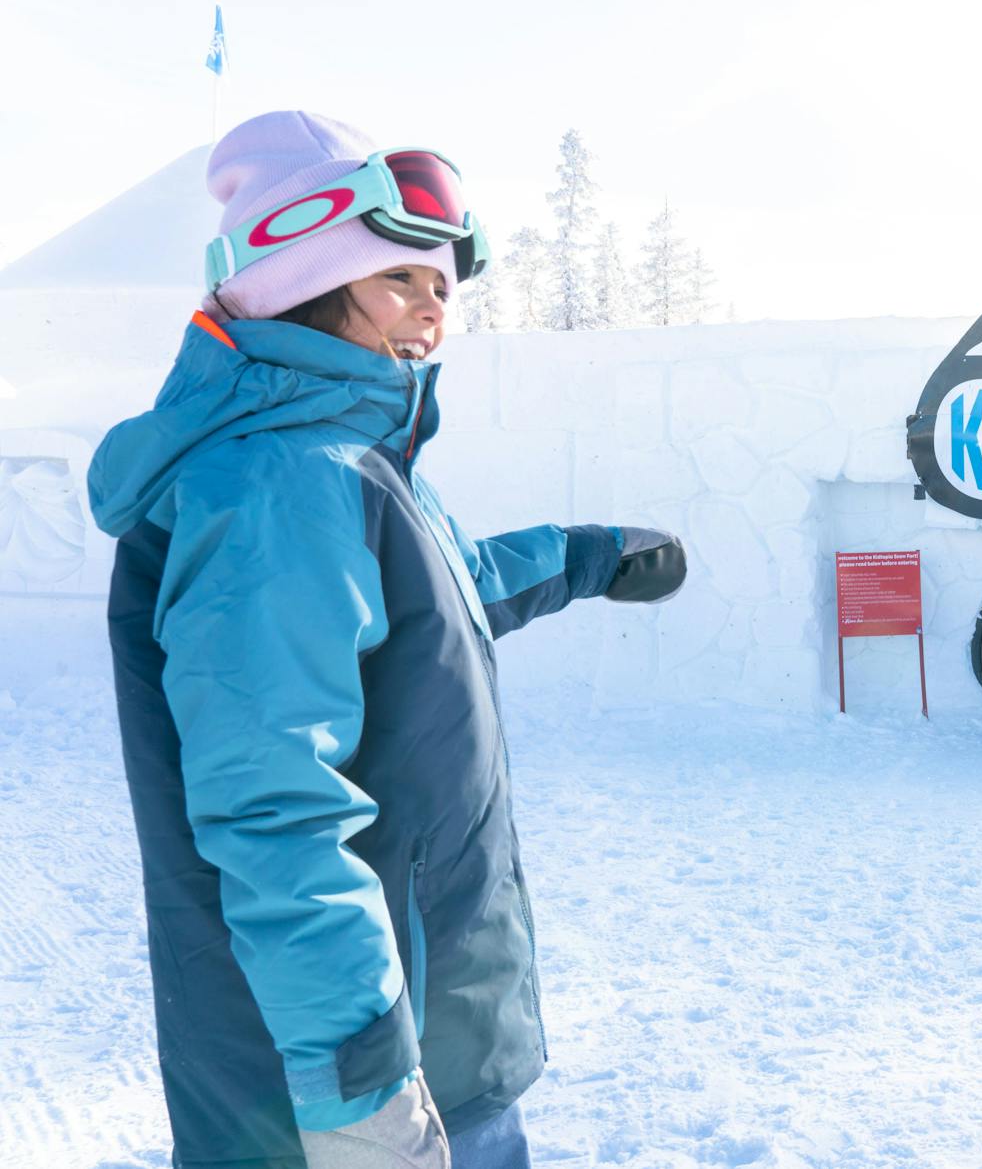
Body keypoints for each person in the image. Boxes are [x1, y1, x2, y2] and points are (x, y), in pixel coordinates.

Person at [86, 112, 688, 1169]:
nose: (430, 313)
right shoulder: (282, 482)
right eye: (400, 279)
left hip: (427, 1019)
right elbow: (275, 803)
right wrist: (356, 1079)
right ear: (305, 277)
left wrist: (586, 555)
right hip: (350, 1075)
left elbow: (442, 592)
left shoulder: (344, 467)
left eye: (444, 289)